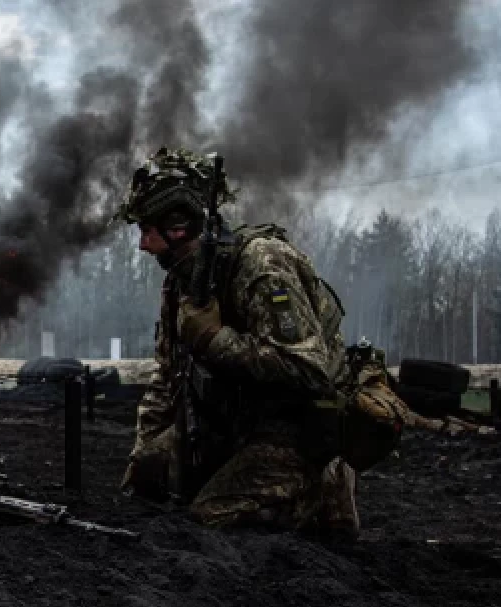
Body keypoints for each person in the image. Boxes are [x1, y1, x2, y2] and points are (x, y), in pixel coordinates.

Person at [116, 147, 361, 536]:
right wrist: (142, 456)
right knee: (151, 476)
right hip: (231, 422)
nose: (143, 245)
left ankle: (321, 495)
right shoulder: (180, 281)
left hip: (294, 430)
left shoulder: (262, 265)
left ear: (178, 227)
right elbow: (167, 377)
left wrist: (215, 340)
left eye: (148, 231)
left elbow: (307, 368)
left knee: (210, 518)